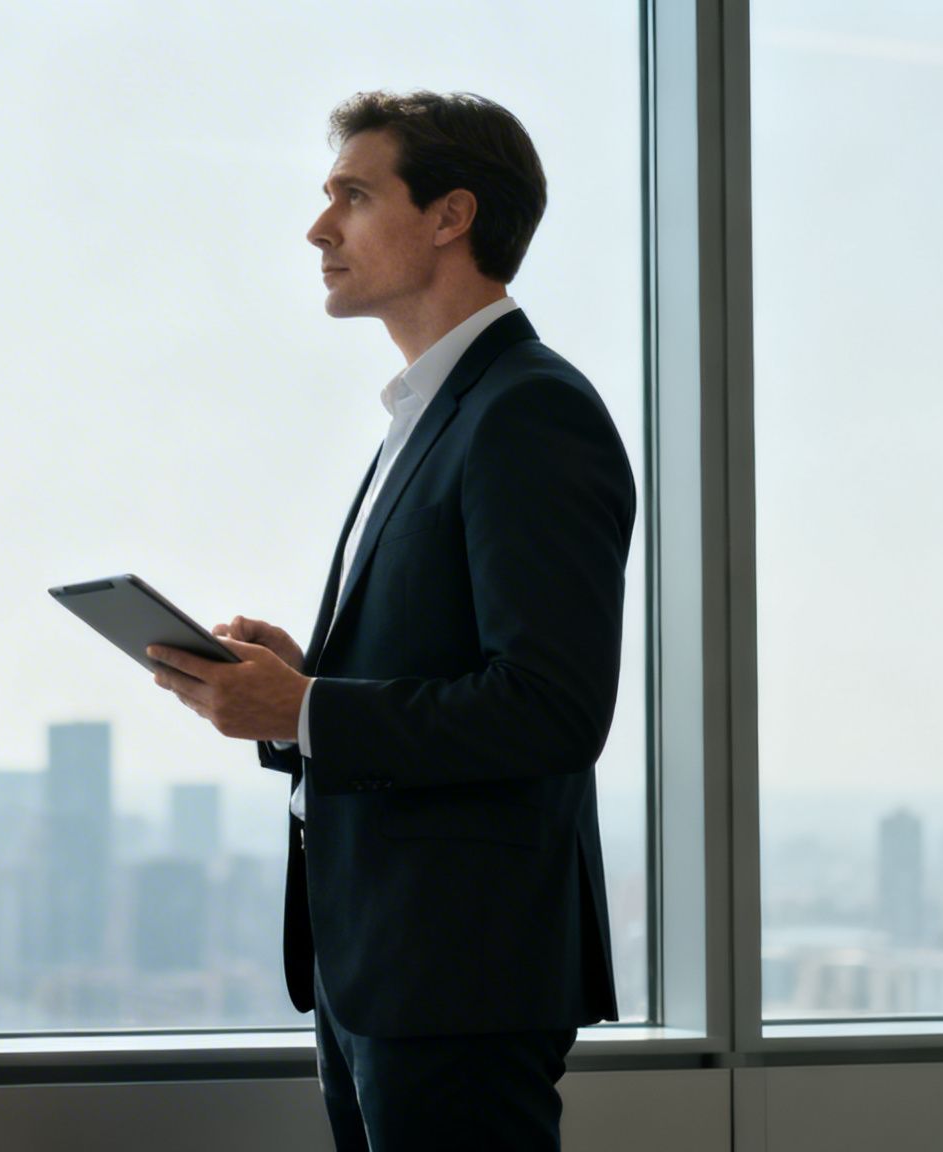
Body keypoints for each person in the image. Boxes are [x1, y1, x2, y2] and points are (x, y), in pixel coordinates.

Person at [146, 90, 635, 1150]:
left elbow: (550, 709)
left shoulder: (528, 411)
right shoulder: (429, 417)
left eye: (354, 197)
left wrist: (307, 708)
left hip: (459, 975)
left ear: (451, 216)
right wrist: (300, 690)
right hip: (379, 965)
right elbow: (441, 669)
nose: (318, 229)